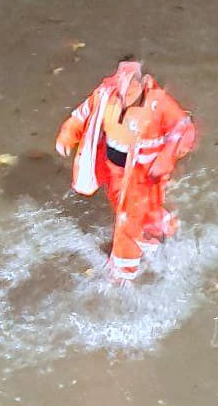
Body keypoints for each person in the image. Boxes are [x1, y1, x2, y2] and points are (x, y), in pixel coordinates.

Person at [55, 58, 196, 283]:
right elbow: (82, 115)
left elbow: (184, 129)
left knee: (126, 218)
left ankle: (123, 270)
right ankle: (161, 229)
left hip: (143, 174)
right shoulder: (105, 95)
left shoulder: (159, 103)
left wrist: (167, 156)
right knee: (126, 208)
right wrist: (67, 136)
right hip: (113, 168)